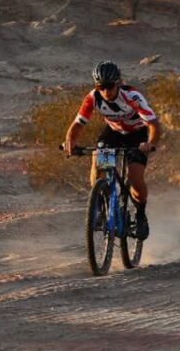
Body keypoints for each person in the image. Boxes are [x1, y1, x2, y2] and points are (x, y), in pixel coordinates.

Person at [62, 60, 161, 239]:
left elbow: (153, 124)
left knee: (135, 178)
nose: (106, 91)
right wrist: (70, 140)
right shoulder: (93, 97)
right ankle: (100, 205)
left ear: (118, 83)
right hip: (113, 133)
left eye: (110, 86)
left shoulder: (132, 96)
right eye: (101, 87)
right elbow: (78, 123)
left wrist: (150, 143)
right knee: (99, 164)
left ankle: (140, 215)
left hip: (137, 134)